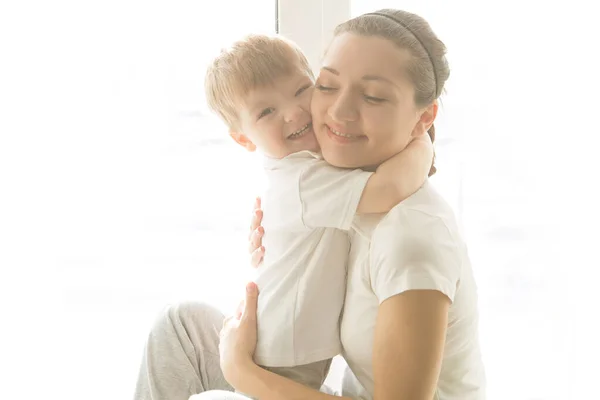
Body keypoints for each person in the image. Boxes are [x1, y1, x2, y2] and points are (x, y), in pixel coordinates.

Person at [135, 8, 485, 400]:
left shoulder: (410, 238)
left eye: (371, 96)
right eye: (327, 86)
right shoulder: (341, 186)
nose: (337, 111)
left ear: (424, 117)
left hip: (297, 378)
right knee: (180, 327)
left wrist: (241, 371)